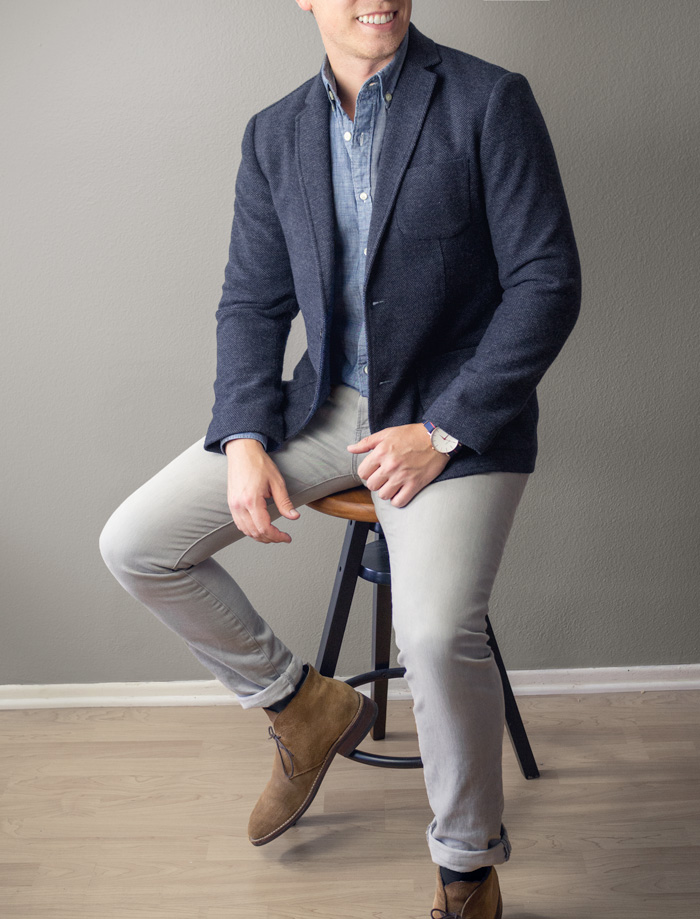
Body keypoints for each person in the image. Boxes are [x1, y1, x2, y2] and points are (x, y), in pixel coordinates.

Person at [99, 2, 581, 916]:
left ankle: (467, 869)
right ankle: (301, 705)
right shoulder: (275, 134)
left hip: (454, 417)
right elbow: (250, 303)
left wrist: (440, 431)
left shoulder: (488, 100)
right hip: (324, 408)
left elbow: (547, 280)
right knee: (135, 543)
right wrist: (244, 437)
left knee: (436, 634)